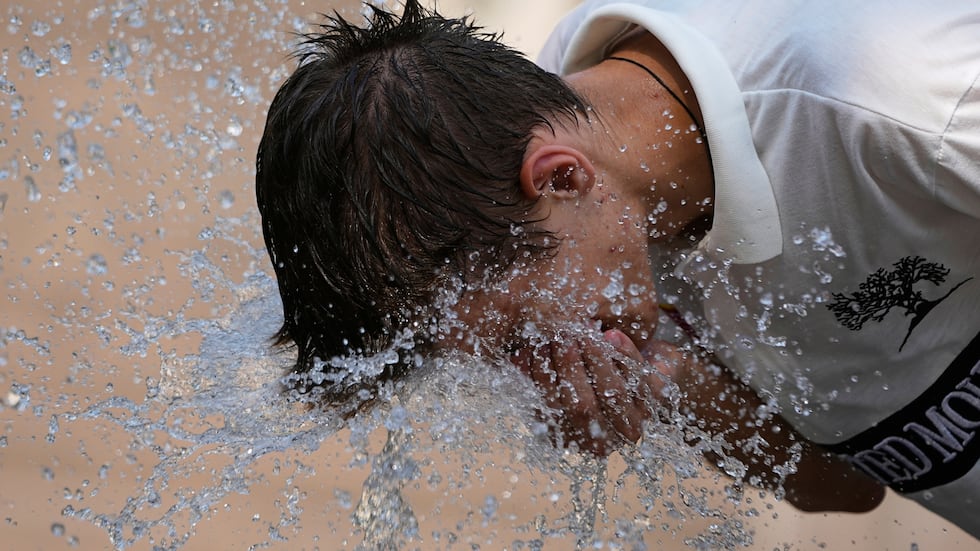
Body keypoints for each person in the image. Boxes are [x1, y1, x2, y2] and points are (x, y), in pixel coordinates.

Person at [254, 0, 979, 536]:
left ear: (562, 178)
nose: (536, 371)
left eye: (515, 337)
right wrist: (671, 378)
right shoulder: (570, 195)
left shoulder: (898, 99)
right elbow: (846, 488)